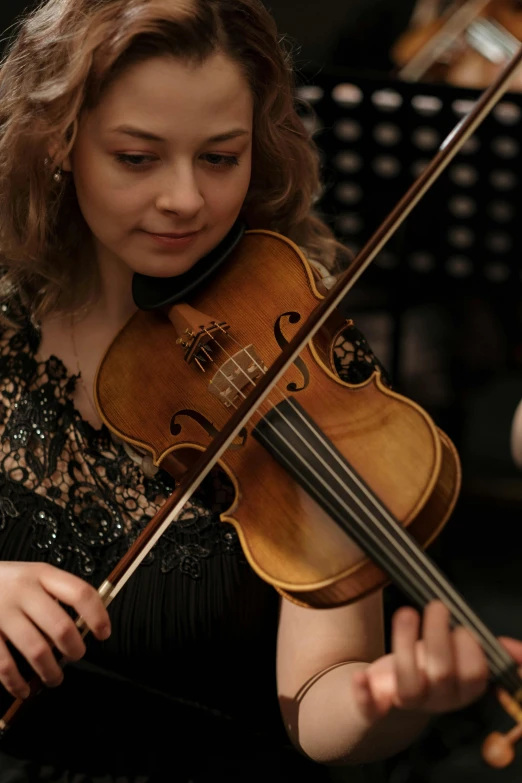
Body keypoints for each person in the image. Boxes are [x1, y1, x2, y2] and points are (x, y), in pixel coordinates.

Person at [0, 1, 521, 781]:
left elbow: (317, 700)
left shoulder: (304, 350)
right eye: (137, 158)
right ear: (59, 145)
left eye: (220, 157)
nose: (185, 199)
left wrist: (390, 698)